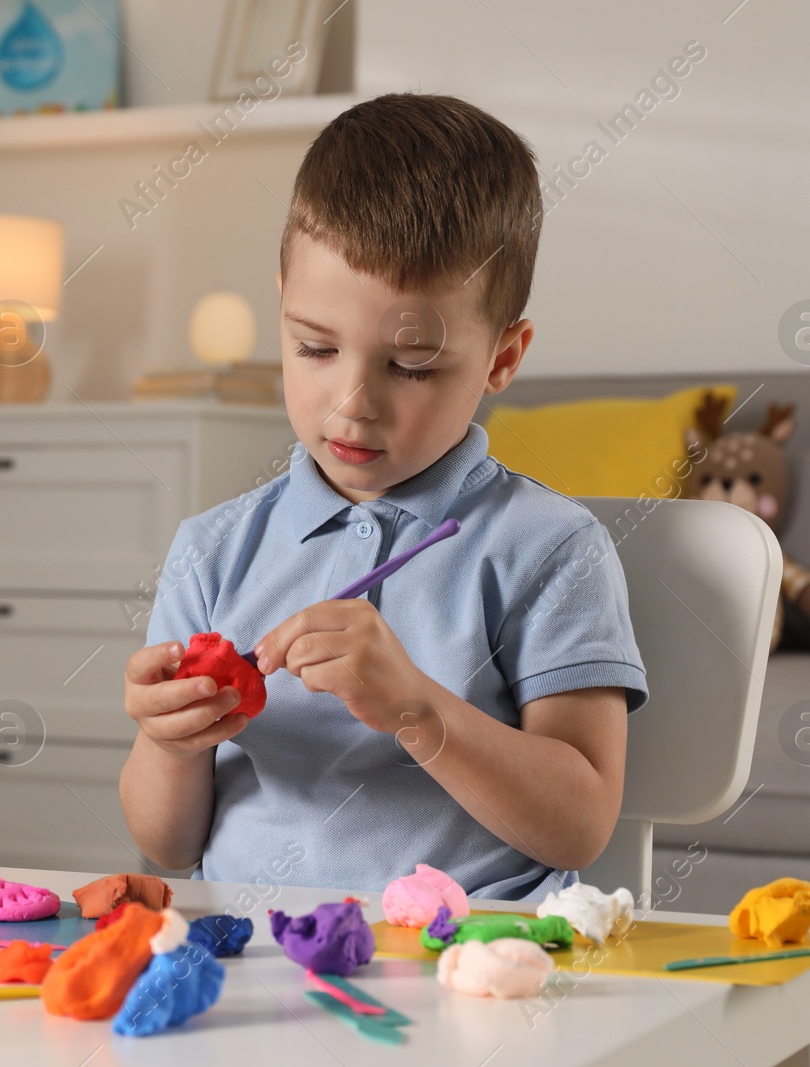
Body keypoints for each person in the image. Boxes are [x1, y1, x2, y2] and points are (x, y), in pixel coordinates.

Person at [120, 93, 649, 903]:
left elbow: (579, 823)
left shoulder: (549, 549)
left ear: (502, 357)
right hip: (249, 952)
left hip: (465, 961)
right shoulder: (213, 549)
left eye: (410, 366)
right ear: (283, 304)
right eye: (316, 347)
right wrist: (169, 744)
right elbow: (168, 843)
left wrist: (415, 708)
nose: (352, 402)